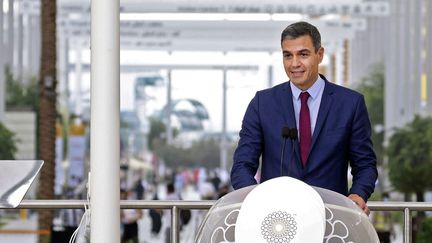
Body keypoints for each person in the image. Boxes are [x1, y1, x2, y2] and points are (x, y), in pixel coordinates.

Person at [230, 21, 378, 215]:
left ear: (320, 54)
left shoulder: (350, 104)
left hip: (331, 219)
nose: (294, 64)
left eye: (303, 54)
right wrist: (255, 199)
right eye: (287, 55)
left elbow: (365, 164)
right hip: (276, 219)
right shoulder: (262, 104)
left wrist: (358, 194)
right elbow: (242, 165)